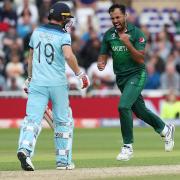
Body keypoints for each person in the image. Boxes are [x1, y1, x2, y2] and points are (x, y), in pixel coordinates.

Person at [17, 2, 90, 171]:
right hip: (57, 84)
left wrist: (29, 78)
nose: (68, 22)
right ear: (61, 18)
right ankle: (63, 161)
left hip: (37, 83)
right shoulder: (64, 35)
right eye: (67, 18)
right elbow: (68, 55)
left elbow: (31, 58)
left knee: (32, 120)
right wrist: (80, 74)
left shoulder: (36, 32)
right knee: (63, 122)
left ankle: (25, 150)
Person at [97, 4, 175, 161]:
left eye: (118, 17)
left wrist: (127, 42)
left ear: (125, 16)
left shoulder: (137, 33)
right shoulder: (108, 35)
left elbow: (140, 59)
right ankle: (165, 129)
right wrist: (102, 62)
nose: (115, 21)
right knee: (140, 111)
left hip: (137, 74)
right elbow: (103, 53)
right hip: (121, 78)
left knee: (123, 106)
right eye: (112, 18)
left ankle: (127, 146)